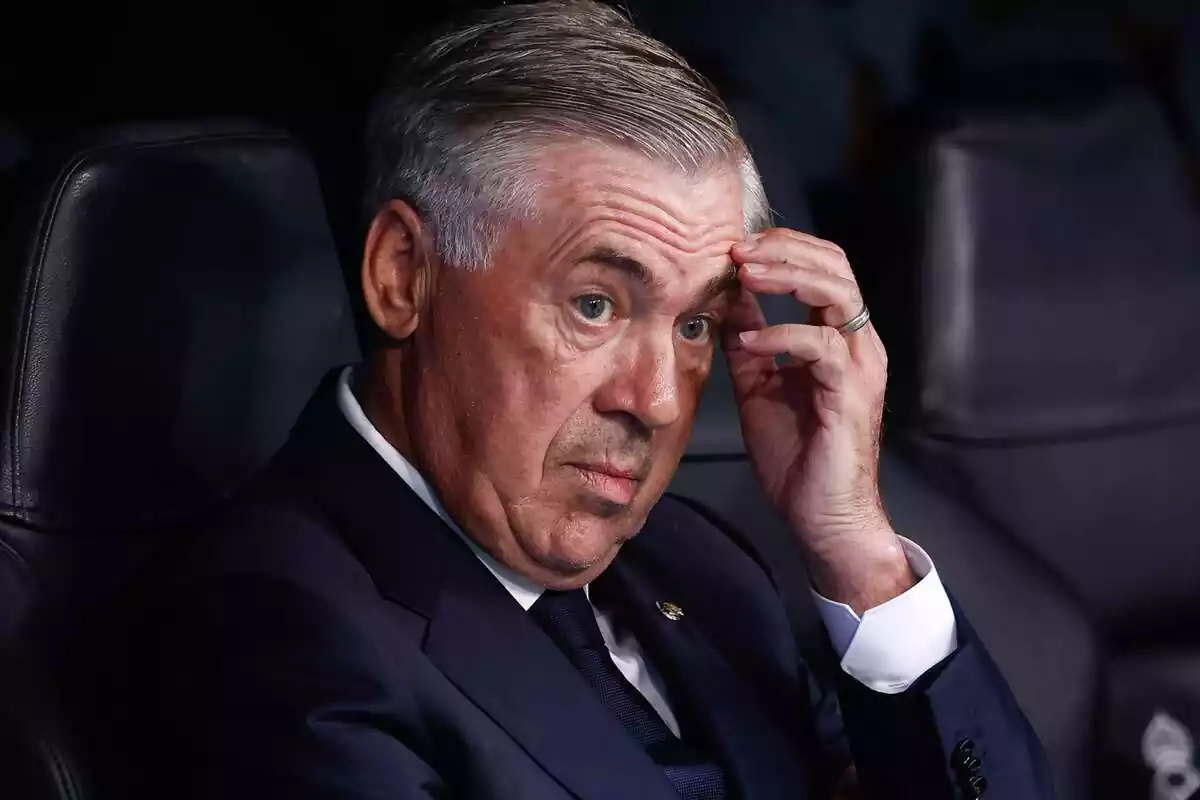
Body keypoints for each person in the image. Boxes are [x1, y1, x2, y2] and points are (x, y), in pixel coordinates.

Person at [88, 2, 1053, 797]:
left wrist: (858, 551)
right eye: (596, 305)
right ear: (402, 276)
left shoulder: (707, 569)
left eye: (692, 327)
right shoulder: (267, 626)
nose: (661, 404)